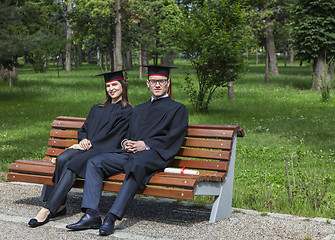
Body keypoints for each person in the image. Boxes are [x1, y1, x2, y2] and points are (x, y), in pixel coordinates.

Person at [66, 65, 188, 236]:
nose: (157, 85)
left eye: (161, 81)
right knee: (95, 162)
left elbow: (173, 138)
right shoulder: (139, 109)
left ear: (168, 83)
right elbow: (127, 135)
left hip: (155, 155)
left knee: (136, 164)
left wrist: (145, 145)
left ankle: (111, 217)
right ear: (147, 84)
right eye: (154, 81)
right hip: (130, 154)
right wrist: (125, 143)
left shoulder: (178, 109)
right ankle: (91, 214)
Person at [28, 70, 132, 228]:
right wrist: (83, 140)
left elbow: (115, 137)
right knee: (63, 158)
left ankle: (47, 209)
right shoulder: (97, 108)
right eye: (108, 85)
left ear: (123, 86)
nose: (111, 88)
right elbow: (84, 129)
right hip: (87, 147)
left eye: (115, 85)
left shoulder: (127, 111)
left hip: (104, 150)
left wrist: (90, 144)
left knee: (73, 163)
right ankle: (61, 205)